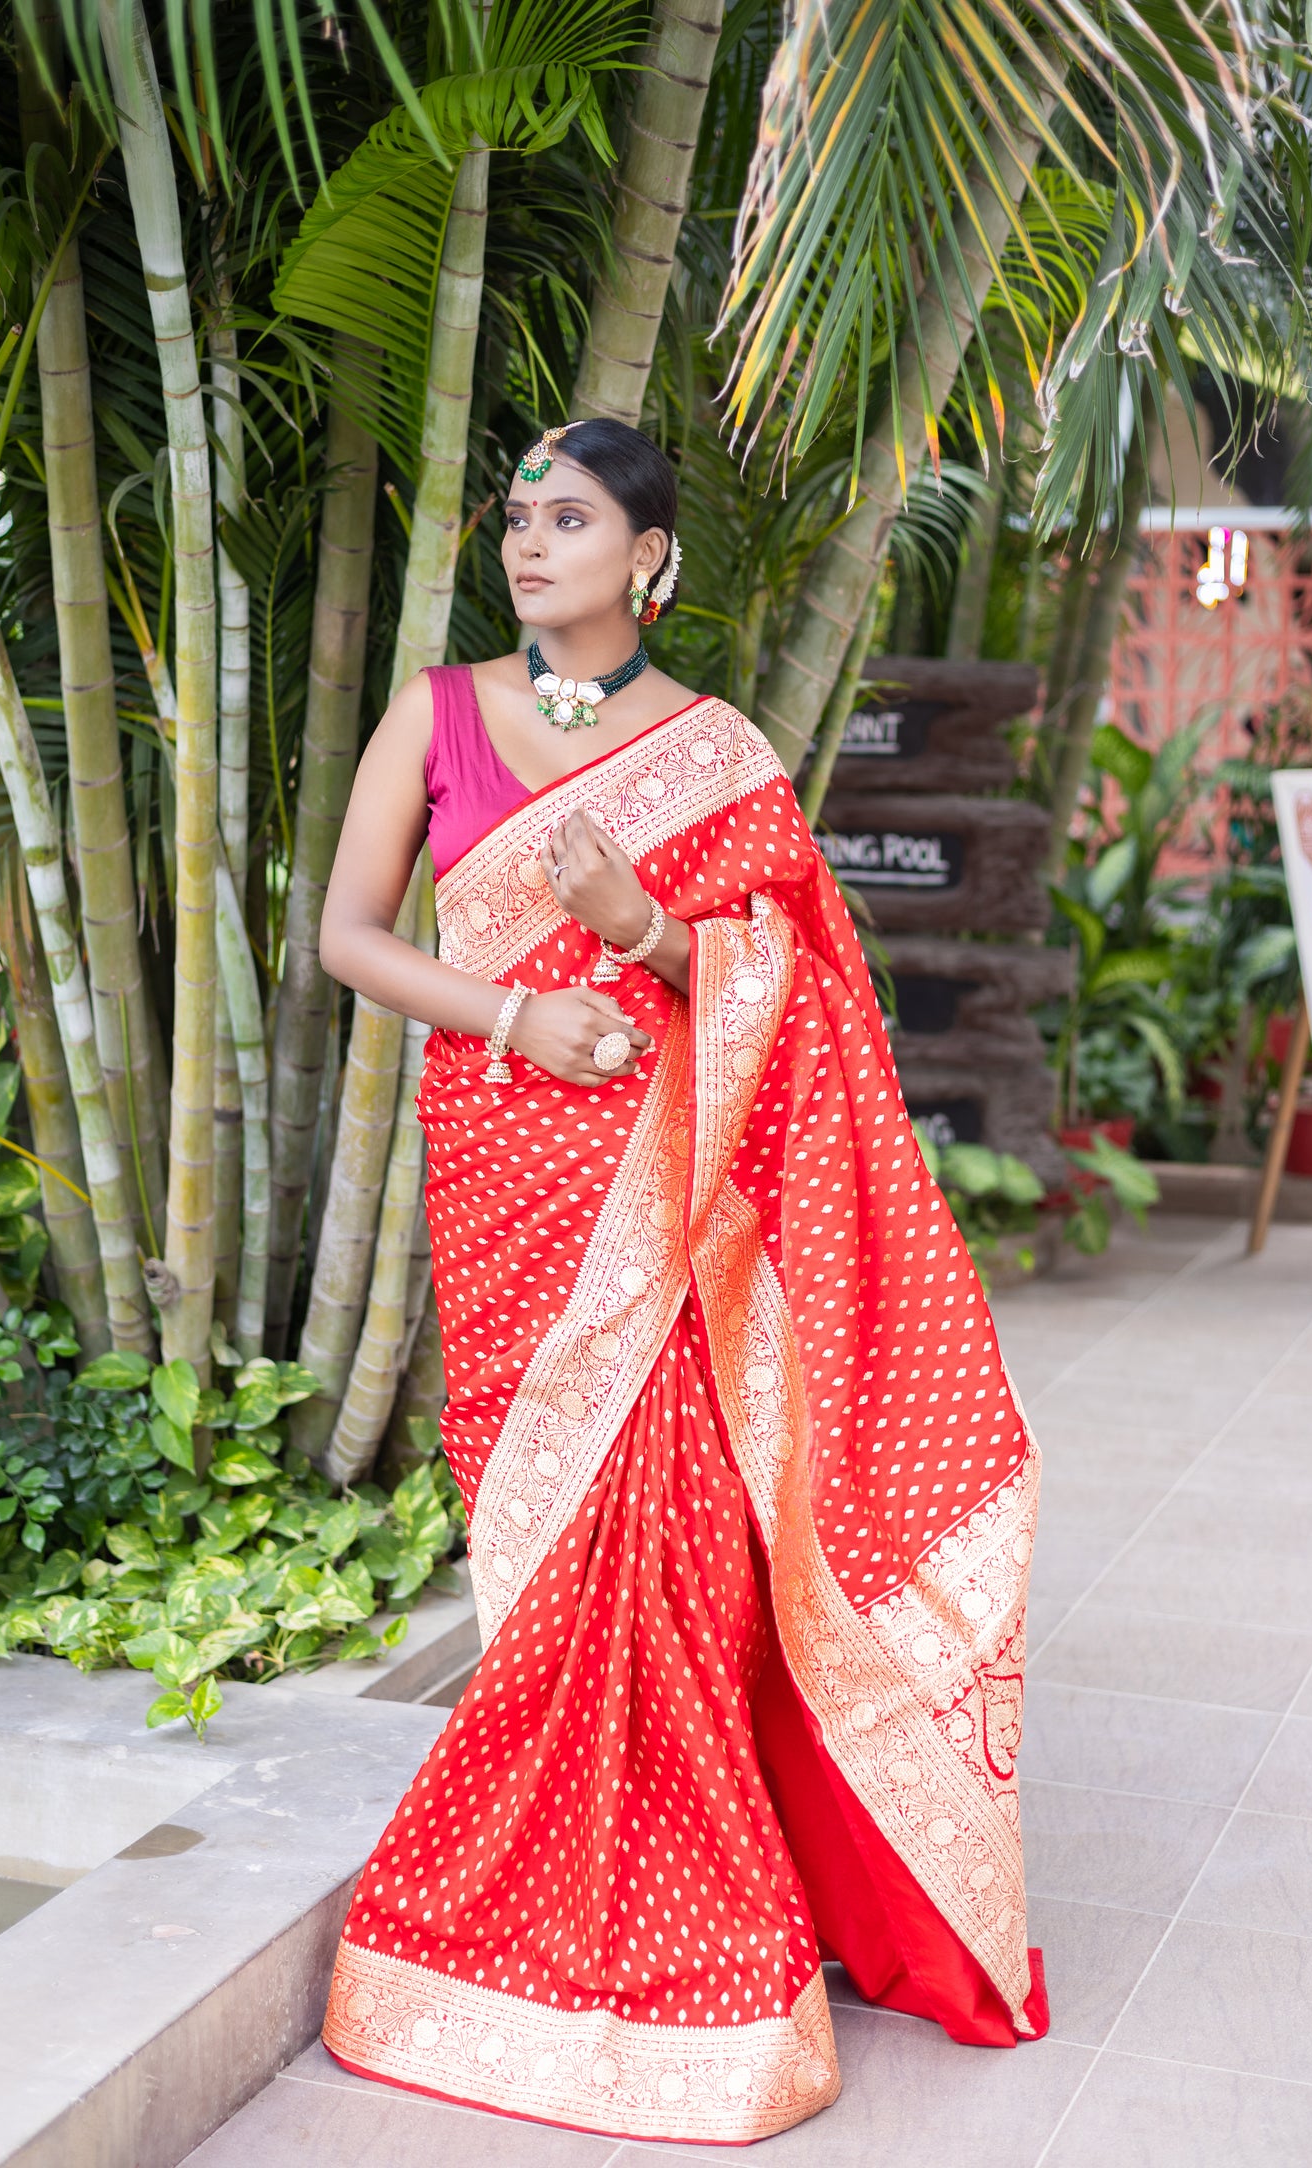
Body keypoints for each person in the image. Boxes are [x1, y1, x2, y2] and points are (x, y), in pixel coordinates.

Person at [317, 417, 1048, 2145]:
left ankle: (695, 1928)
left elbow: (808, 985)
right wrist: (514, 1009)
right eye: (517, 518)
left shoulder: (713, 751)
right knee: (549, 1551)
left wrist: (641, 926)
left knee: (675, 1550)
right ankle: (506, 1930)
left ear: (647, 556)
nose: (528, 544)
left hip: (674, 1200)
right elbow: (349, 937)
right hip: (510, 1181)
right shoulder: (434, 713)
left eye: (568, 519)